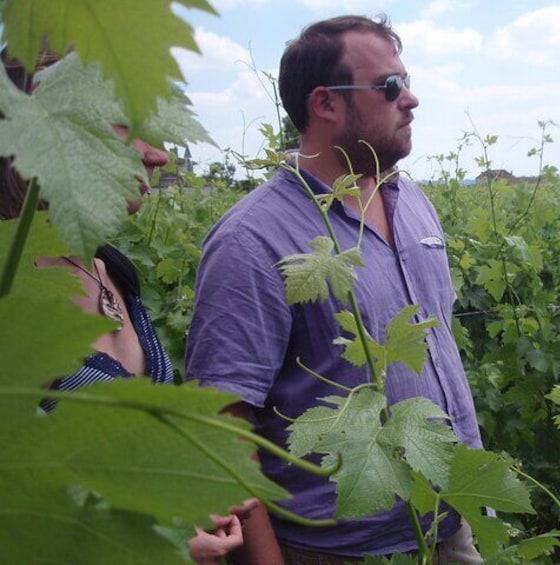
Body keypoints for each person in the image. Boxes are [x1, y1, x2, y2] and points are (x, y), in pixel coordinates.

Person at [185, 14, 484, 563]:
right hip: (340, 549)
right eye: (390, 87)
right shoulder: (251, 241)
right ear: (325, 104)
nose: (411, 99)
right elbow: (225, 427)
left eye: (406, 80)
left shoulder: (411, 199)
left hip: (446, 524)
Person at [0, 48, 247, 563]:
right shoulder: (11, 287)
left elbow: (105, 472)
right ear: (46, 121)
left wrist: (177, 500)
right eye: (126, 123)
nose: (158, 155)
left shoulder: (109, 266)